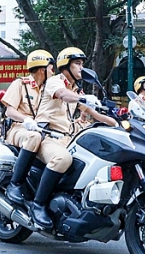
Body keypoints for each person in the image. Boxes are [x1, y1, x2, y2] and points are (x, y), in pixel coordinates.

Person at [30, 47, 114, 228]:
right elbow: (63, 95)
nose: (81, 68)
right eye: (77, 64)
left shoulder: (76, 91)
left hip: (67, 139)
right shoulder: (55, 82)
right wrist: (83, 99)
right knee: (62, 158)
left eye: (82, 64)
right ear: (65, 66)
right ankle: (38, 204)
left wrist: (119, 121)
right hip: (47, 137)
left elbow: (96, 114)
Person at [2, 49, 55, 205]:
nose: (53, 71)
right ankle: (15, 184)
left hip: (43, 132)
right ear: (41, 69)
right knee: (34, 136)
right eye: (51, 68)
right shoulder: (20, 84)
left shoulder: (50, 90)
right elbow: (9, 110)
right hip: (20, 129)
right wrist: (26, 119)